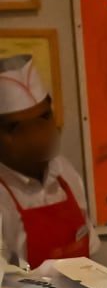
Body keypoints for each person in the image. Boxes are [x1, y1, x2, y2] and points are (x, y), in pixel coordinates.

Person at [0, 55, 96, 269]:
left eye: (43, 119)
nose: (35, 137)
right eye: (16, 127)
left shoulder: (65, 173)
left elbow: (91, 255)